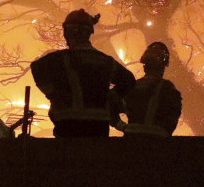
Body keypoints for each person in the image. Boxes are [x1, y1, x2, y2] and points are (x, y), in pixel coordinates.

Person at [30, 9, 136, 138]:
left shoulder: (58, 59)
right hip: (98, 127)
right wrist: (110, 98)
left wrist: (52, 93)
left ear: (67, 32)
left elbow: (36, 68)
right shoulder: (105, 61)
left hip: (67, 125)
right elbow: (128, 80)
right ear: (89, 33)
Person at [115, 42, 183, 136]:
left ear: (144, 66)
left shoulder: (132, 86)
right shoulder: (169, 89)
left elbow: (111, 105)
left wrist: (122, 126)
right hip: (156, 143)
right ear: (162, 67)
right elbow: (173, 117)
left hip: (131, 141)